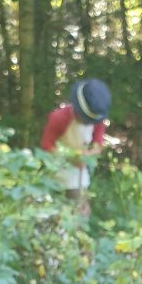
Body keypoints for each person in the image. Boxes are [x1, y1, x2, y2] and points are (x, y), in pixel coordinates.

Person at [40, 78, 111, 217]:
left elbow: (97, 144)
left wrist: (89, 155)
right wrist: (69, 156)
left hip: (79, 175)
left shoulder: (98, 119)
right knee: (56, 214)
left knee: (81, 213)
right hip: (57, 171)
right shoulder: (59, 118)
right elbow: (46, 146)